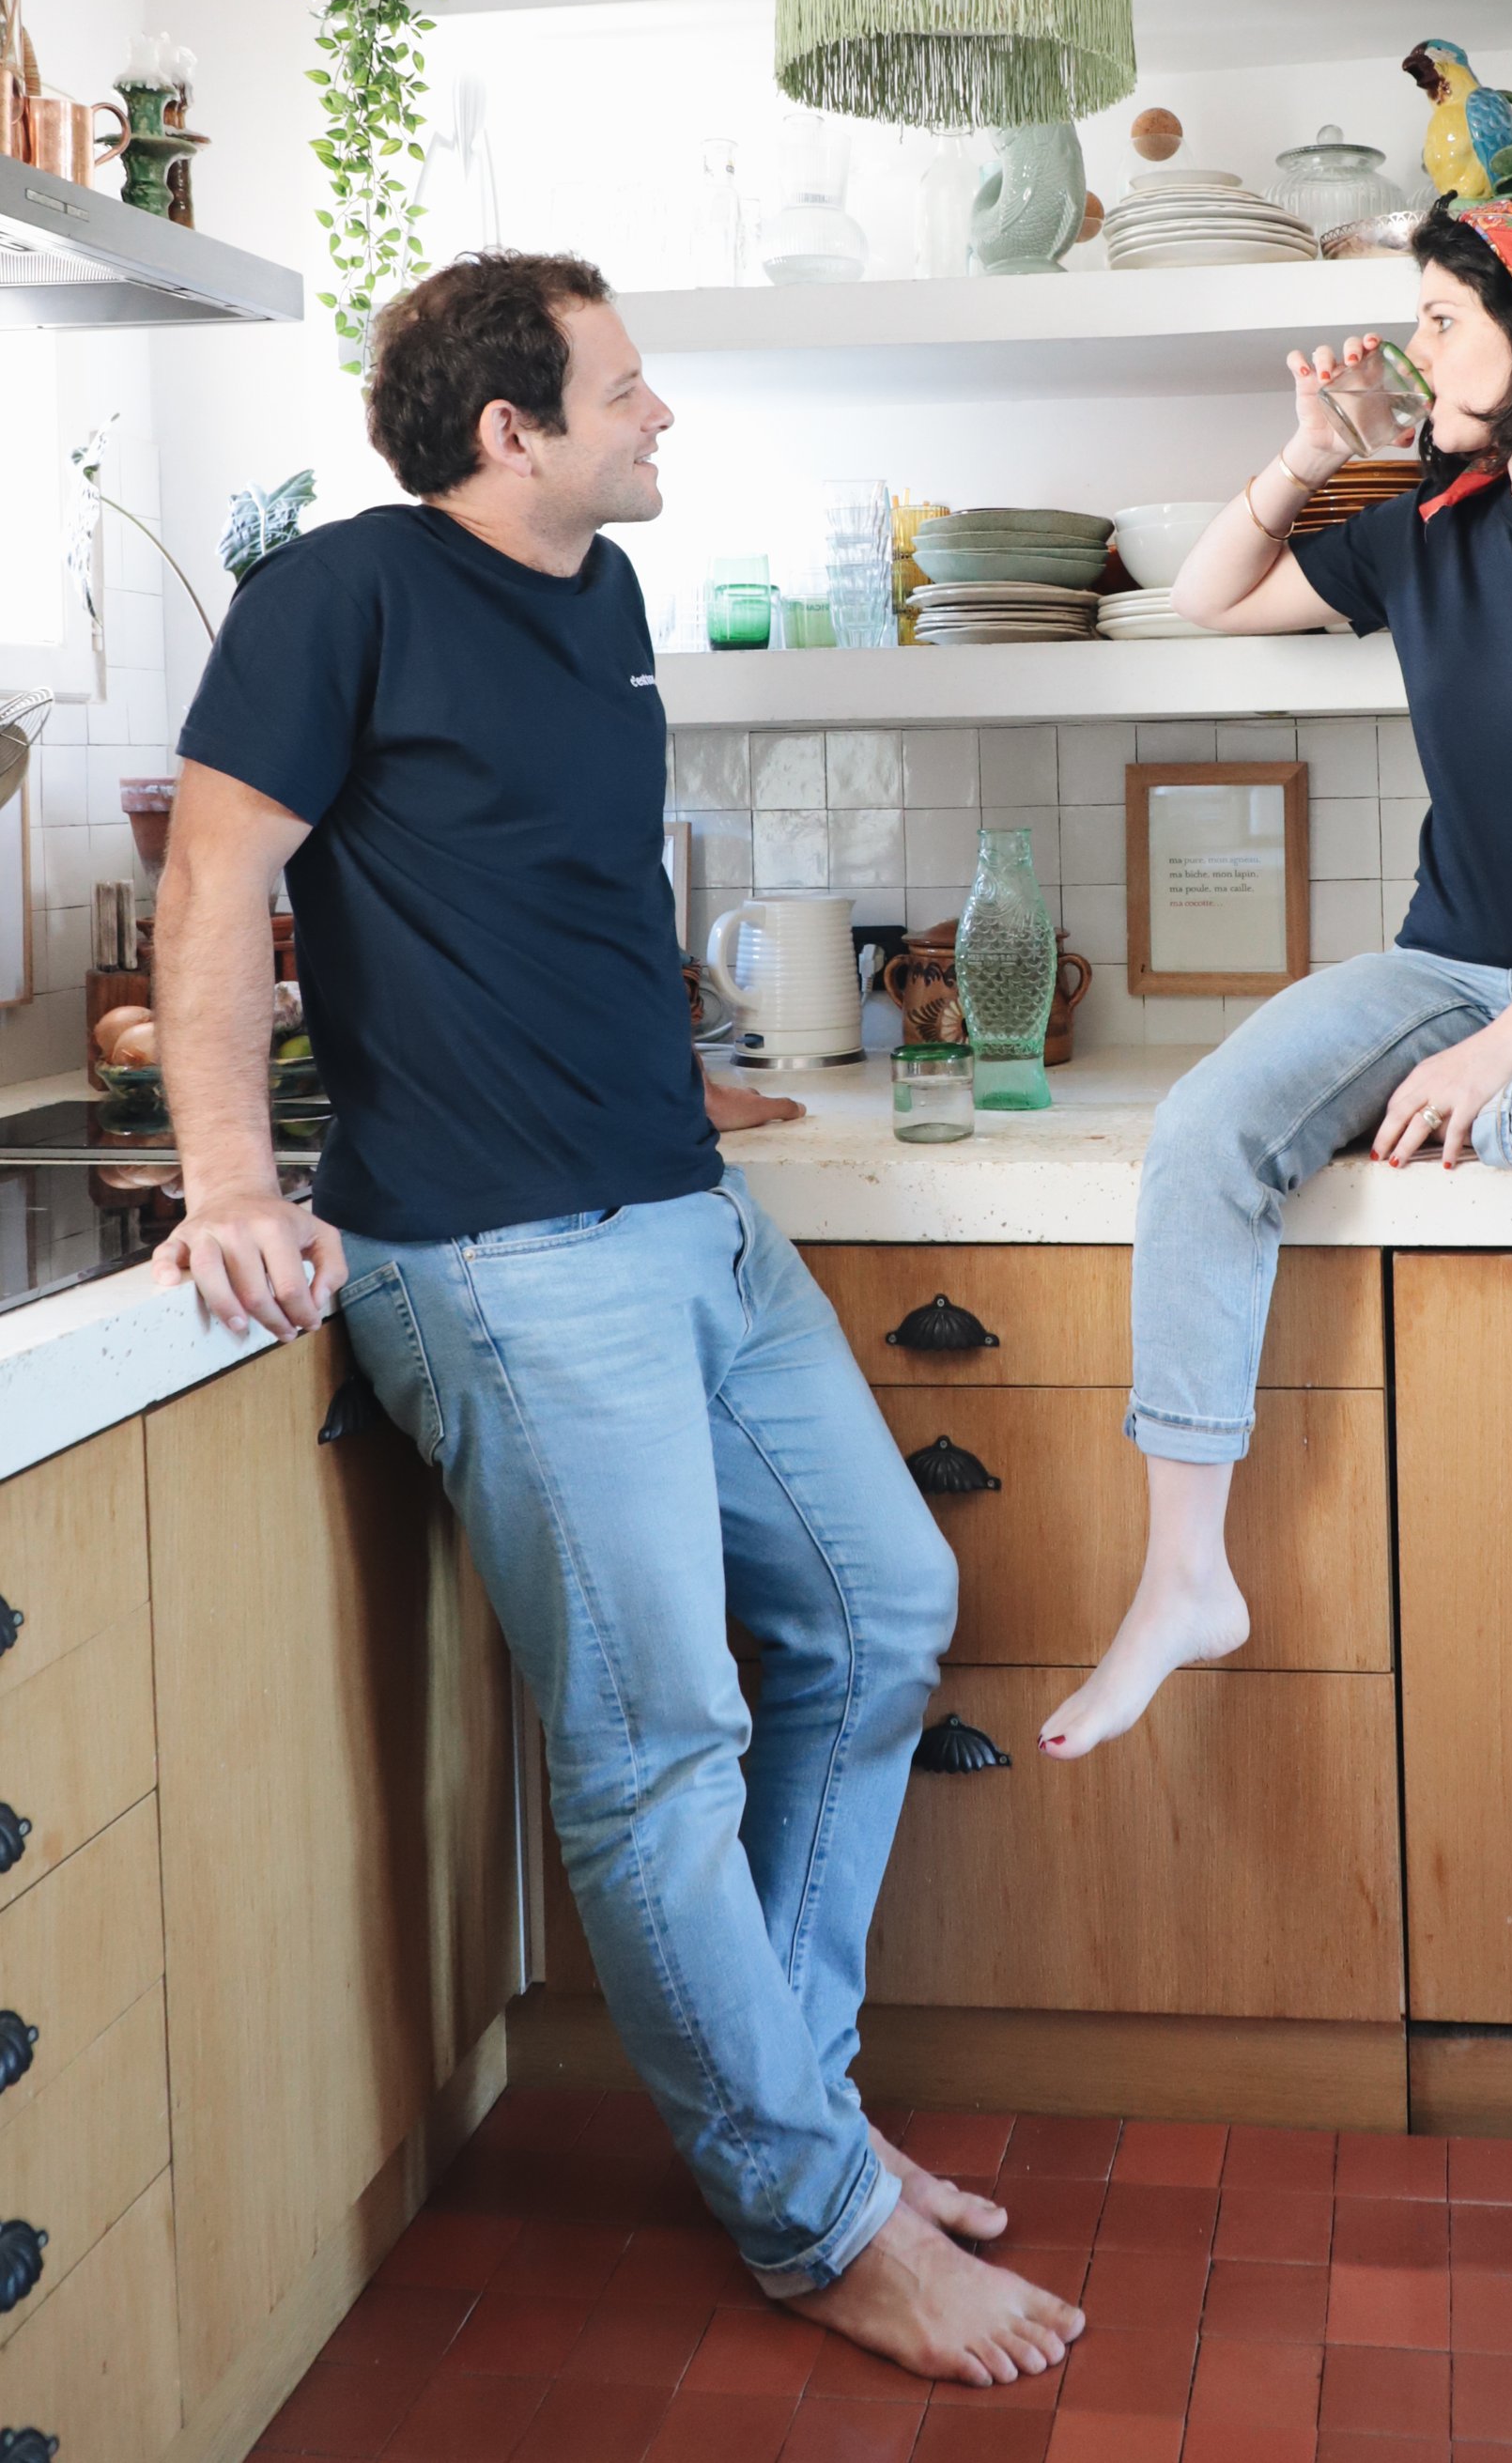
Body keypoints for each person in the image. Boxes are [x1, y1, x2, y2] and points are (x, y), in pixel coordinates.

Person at [149, 252, 1085, 2388]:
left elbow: (557, 884)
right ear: (514, 429)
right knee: (659, 1747)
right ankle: (816, 2218)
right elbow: (214, 883)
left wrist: (668, 1070)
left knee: (880, 1610)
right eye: (627, 386)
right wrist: (227, 1182)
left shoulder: (602, 596)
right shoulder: (336, 595)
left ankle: (798, 2102)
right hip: (503, 1259)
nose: (660, 415)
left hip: (681, 1209)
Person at [1039, 190, 1512, 1759]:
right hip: (1442, 966)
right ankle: (1184, 1573)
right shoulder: (1431, 532)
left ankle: (1438, 1106)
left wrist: (1494, 1061)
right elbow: (1209, 597)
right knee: (1208, 1126)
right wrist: (1311, 452)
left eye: (1444, 316)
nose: (1416, 344)